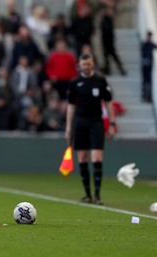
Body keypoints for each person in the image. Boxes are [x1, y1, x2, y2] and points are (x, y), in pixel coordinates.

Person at [65, 53, 116, 205]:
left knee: (97, 158)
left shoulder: (100, 80)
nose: (86, 66)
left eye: (89, 64)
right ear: (80, 65)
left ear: (93, 64)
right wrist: (69, 127)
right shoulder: (75, 82)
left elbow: (108, 102)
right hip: (80, 122)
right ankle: (88, 194)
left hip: (96, 122)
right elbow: (71, 106)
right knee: (82, 158)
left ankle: (98, 195)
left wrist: (112, 123)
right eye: (84, 64)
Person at [141, 31, 157, 102]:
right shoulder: (145, 44)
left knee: (148, 81)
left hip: (148, 65)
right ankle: (145, 94)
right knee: (146, 81)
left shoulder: (149, 44)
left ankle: (148, 95)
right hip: (145, 65)